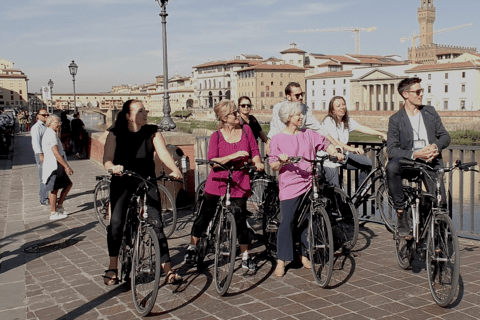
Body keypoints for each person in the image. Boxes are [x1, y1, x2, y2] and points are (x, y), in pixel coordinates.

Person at [103, 99, 183, 286]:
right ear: (128, 115)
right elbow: (106, 158)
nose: (145, 113)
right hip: (122, 182)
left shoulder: (152, 132)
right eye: (140, 111)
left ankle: (168, 270)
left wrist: (174, 169)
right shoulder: (115, 134)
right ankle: (112, 266)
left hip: (146, 181)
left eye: (145, 110)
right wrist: (113, 168)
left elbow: (163, 153)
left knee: (157, 224)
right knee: (116, 223)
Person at [184, 100, 264, 273]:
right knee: (205, 214)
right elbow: (213, 162)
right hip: (218, 179)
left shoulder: (246, 130)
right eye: (233, 113)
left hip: (239, 179)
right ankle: (192, 246)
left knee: (240, 218)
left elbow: (255, 151)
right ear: (223, 118)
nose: (238, 115)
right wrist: (234, 155)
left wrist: (257, 162)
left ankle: (245, 257)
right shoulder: (216, 136)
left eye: (237, 112)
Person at [269, 101, 344, 277]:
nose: (301, 117)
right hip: (290, 185)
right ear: (289, 118)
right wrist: (280, 160)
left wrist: (335, 152)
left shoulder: (309, 134)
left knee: (308, 220)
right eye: (298, 115)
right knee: (287, 221)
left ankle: (304, 255)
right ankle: (281, 260)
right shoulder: (278, 139)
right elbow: (273, 165)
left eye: (301, 114)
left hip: (309, 183)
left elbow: (325, 144)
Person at [386, 77, 451, 236]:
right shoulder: (395, 119)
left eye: (421, 91)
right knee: (391, 166)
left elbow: (445, 136)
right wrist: (416, 154)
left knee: (440, 203)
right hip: (410, 163)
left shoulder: (430, 112)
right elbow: (392, 150)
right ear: (405, 95)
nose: (421, 94)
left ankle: (438, 239)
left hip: (430, 163)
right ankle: (401, 212)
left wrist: (435, 146)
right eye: (418, 91)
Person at [321, 96, 387, 187]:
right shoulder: (329, 121)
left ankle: (361, 191)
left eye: (343, 104)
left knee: (367, 163)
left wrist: (381, 134)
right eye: (338, 106)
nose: (342, 107)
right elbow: (336, 142)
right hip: (330, 158)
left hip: (344, 155)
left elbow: (362, 128)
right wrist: (353, 149)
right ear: (332, 110)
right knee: (334, 189)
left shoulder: (346, 121)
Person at [267, 82, 338, 147]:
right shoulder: (278, 108)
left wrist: (334, 143)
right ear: (288, 96)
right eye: (297, 95)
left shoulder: (305, 109)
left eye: (302, 94)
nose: (301, 97)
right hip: (280, 145)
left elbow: (318, 127)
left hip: (297, 145)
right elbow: (277, 129)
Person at [42, 115, 74, 220]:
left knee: (68, 184)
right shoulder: (50, 134)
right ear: (50, 123)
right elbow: (56, 153)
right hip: (54, 165)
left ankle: (59, 206)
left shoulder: (53, 134)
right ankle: (53, 212)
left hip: (57, 165)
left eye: (59, 123)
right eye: (57, 122)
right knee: (54, 189)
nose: (59, 124)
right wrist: (67, 166)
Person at [31, 109, 49, 205]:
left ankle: (46, 195)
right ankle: (43, 198)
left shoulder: (45, 126)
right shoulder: (36, 128)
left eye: (47, 114)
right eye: (43, 115)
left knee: (47, 175)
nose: (46, 116)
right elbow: (36, 143)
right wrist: (40, 155)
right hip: (42, 154)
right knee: (43, 176)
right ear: (37, 116)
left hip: (47, 154)